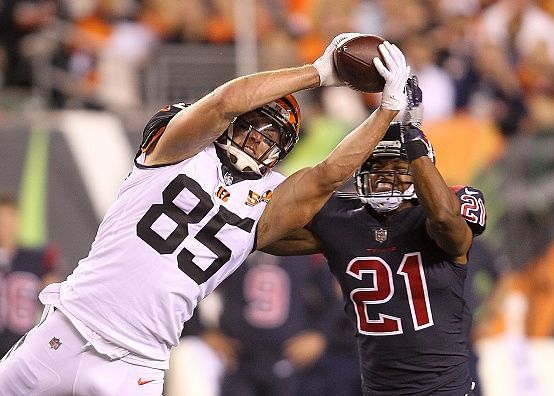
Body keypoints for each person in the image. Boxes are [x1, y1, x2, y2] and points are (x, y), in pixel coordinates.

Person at [0, 33, 410, 395]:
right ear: (232, 124)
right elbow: (226, 101)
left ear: (282, 150)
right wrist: (319, 72)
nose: (256, 139)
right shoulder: (181, 152)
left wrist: (386, 109)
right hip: (69, 328)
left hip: (138, 363)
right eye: (252, 124)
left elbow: (326, 176)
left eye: (271, 136)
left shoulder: (269, 196)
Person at [264, 77, 487, 395]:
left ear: (422, 169)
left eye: (398, 167)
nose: (385, 178)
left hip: (444, 389)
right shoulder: (342, 220)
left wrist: (412, 137)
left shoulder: (446, 209)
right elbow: (264, 236)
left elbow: (445, 221)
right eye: (377, 169)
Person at [179, 251, 340, 396]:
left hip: (289, 358)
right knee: (188, 355)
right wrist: (202, 331)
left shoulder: (303, 248)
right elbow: (189, 283)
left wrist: (320, 335)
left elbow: (334, 298)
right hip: (237, 359)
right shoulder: (234, 243)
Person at [0, 191, 60, 357]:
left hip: (21, 347)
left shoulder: (36, 258)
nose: (5, 224)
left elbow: (53, 302)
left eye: (9, 218)